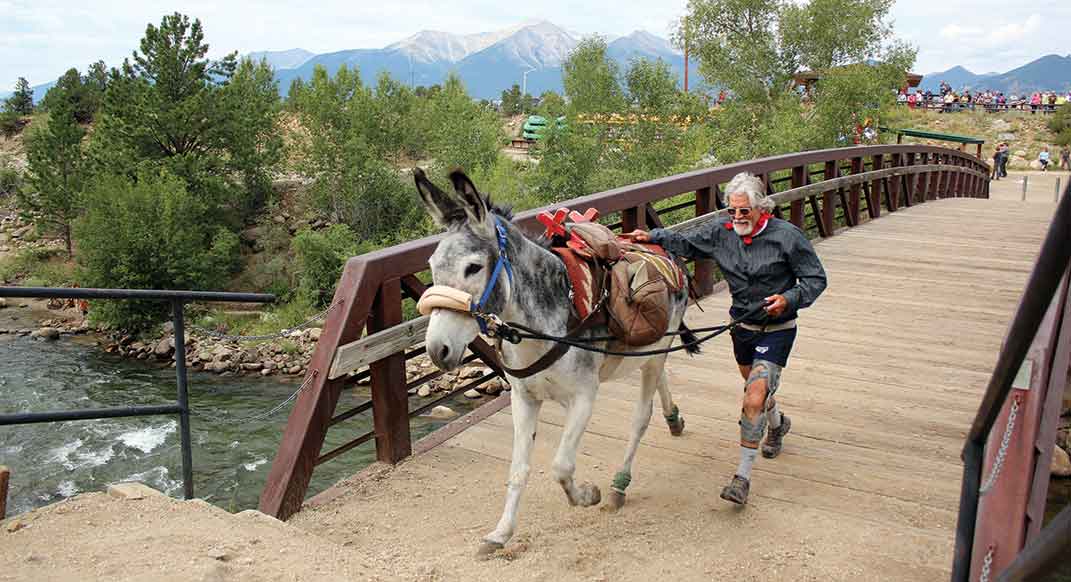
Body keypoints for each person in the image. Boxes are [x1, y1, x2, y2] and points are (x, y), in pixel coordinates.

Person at [627, 173, 828, 505]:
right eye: (731, 211)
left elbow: (815, 279)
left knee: (753, 398)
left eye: (744, 211)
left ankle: (742, 478)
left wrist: (788, 300)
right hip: (741, 329)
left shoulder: (788, 237)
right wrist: (650, 236)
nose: (737, 218)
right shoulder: (722, 233)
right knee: (755, 388)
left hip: (777, 329)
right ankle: (777, 425)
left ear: (761, 208)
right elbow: (686, 242)